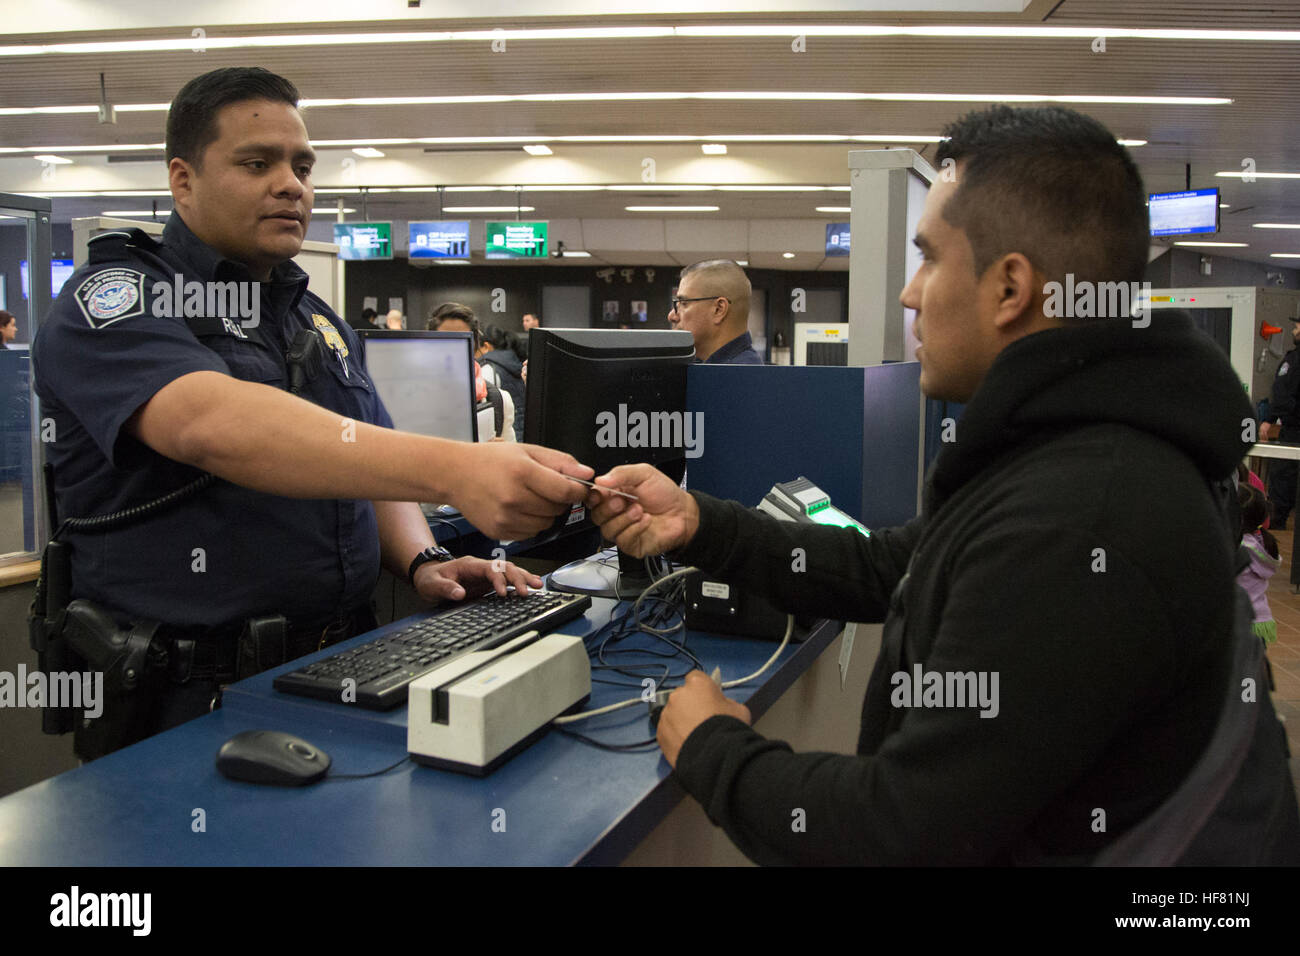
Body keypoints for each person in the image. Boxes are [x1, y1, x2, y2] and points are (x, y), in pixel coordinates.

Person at [585, 104, 1300, 864]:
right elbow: (895, 564)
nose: (909, 293)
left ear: (1009, 287)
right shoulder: (1081, 445)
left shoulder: (1080, 518)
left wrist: (711, 744)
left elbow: (899, 837)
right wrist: (700, 522)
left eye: (928, 259)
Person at [30, 67, 591, 759]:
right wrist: (459, 469)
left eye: (302, 165)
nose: (291, 184)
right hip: (188, 700)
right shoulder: (116, 299)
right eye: (257, 163)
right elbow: (210, 425)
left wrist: (424, 559)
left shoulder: (314, 315)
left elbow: (366, 456)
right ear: (183, 180)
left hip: (340, 673)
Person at [430, 304, 516, 442]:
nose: (453, 351)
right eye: (444, 341)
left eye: (461, 341)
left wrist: (499, 454)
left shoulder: (499, 400)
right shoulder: (415, 396)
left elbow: (512, 458)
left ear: (475, 346)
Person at [667, 260, 763, 365]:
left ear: (719, 309)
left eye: (684, 303)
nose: (671, 316)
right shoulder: (708, 369)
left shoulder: (740, 377)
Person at [1260, 317, 1300, 528]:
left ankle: (1276, 520)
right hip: (1292, 425)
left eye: (1297, 327)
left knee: (1284, 474)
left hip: (1294, 429)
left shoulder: (1294, 361)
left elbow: (1283, 394)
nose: (1294, 330)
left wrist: (1268, 419)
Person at [1238, 482, 1281, 647]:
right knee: (1250, 670)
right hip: (1261, 618)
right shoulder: (1261, 541)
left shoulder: (1240, 547)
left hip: (1241, 621)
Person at [478, 325, 526, 442]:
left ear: (486, 346)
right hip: (521, 431)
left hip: (503, 436)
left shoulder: (488, 369)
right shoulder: (516, 360)